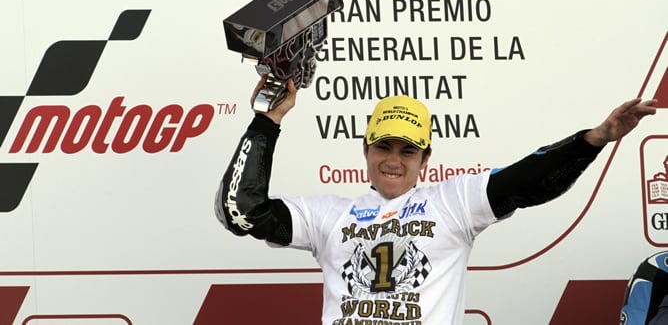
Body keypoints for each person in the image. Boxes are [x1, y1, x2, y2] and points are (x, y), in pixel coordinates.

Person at [215, 76, 658, 325]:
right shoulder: (327, 215)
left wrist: (593, 140)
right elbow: (243, 211)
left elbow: (529, 180)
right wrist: (267, 120)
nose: (393, 161)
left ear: (426, 157)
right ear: (365, 150)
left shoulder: (451, 203)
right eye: (383, 147)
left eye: (408, 150)